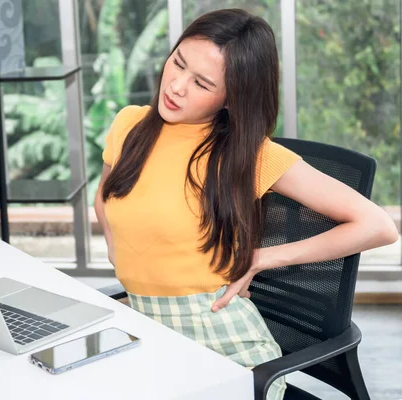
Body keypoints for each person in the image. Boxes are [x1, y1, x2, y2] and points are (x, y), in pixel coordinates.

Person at [94, 8, 398, 400]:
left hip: (219, 342)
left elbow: (378, 225)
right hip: (148, 327)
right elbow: (106, 198)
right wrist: (119, 251)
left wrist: (263, 257)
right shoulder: (130, 124)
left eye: (202, 83)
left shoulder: (247, 155)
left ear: (231, 97)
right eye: (178, 63)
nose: (176, 86)